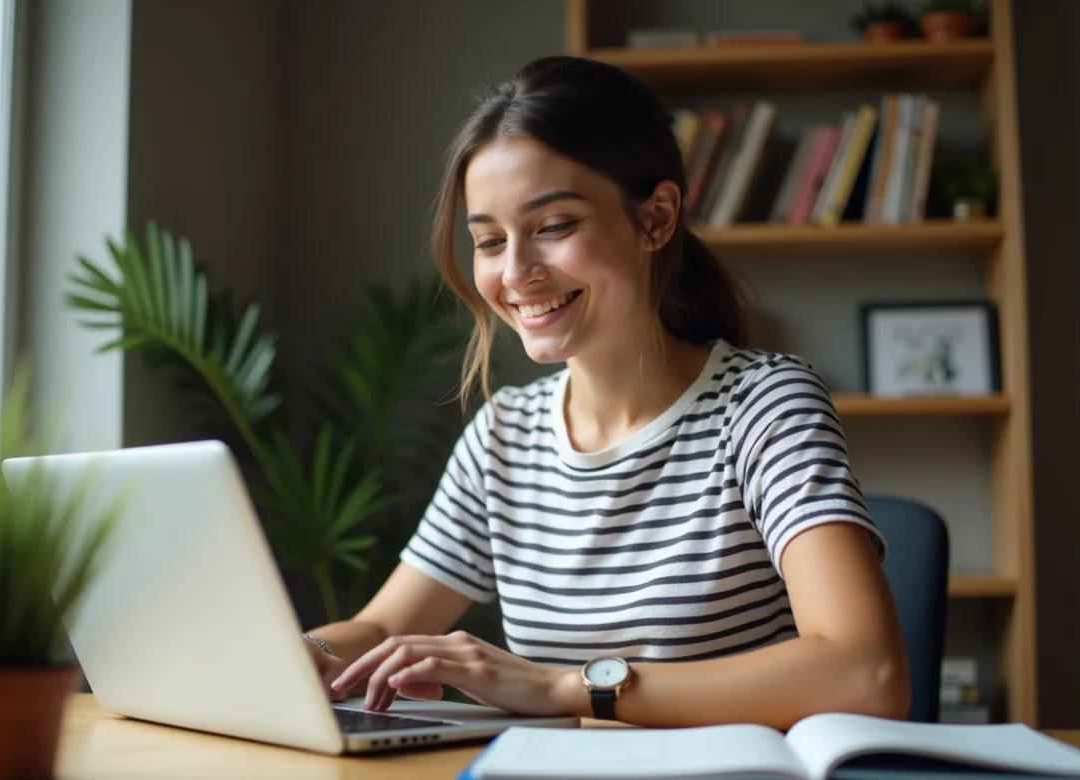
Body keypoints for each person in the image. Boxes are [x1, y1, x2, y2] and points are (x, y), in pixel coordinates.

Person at [308, 55, 910, 730]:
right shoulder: (505, 436)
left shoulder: (764, 407)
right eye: (489, 240)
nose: (516, 272)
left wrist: (566, 688)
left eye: (554, 226)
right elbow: (381, 627)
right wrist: (307, 653)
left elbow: (866, 672)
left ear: (657, 218)